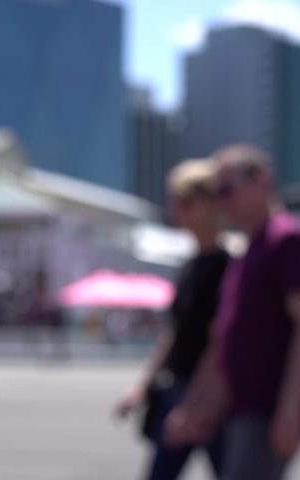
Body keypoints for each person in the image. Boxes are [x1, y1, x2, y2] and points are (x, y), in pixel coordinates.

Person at [164, 145, 300, 480]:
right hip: (242, 409)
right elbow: (225, 341)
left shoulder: (287, 239)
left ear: (261, 180)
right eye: (215, 194)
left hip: (266, 409)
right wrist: (198, 406)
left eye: (226, 190)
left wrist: (289, 406)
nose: (220, 202)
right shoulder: (249, 250)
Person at [115, 158, 230, 480]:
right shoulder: (191, 264)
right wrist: (142, 387)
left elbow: (220, 342)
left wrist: (195, 405)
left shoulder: (224, 266)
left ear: (210, 205)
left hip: (209, 396)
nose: (177, 209)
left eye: (186, 202)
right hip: (176, 388)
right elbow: (175, 333)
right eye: (176, 201)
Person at [24, 271, 68, 361]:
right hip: (39, 334)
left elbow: (56, 318)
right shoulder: (35, 306)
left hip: (50, 334)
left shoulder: (51, 305)